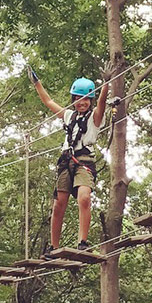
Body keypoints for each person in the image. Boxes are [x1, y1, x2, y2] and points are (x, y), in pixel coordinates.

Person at [29, 65, 110, 257]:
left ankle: (82, 241)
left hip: (84, 161)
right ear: (73, 100)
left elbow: (103, 102)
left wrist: (106, 84)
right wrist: (37, 83)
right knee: (59, 204)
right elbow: (48, 101)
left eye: (84, 99)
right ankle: (54, 247)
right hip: (66, 162)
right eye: (77, 99)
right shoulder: (68, 115)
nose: (81, 102)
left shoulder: (95, 118)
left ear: (90, 100)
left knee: (84, 197)